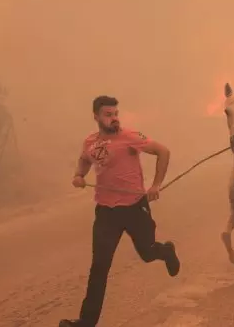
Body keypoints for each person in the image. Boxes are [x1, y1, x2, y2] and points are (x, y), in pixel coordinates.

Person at [59, 96, 180, 327]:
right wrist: (78, 175)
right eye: (108, 114)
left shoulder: (130, 137)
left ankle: (166, 251)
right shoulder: (90, 142)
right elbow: (85, 160)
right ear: (96, 117)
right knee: (99, 267)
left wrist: (155, 185)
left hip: (135, 207)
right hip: (106, 212)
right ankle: (86, 322)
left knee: (147, 252)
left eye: (115, 114)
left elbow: (163, 152)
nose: (114, 118)